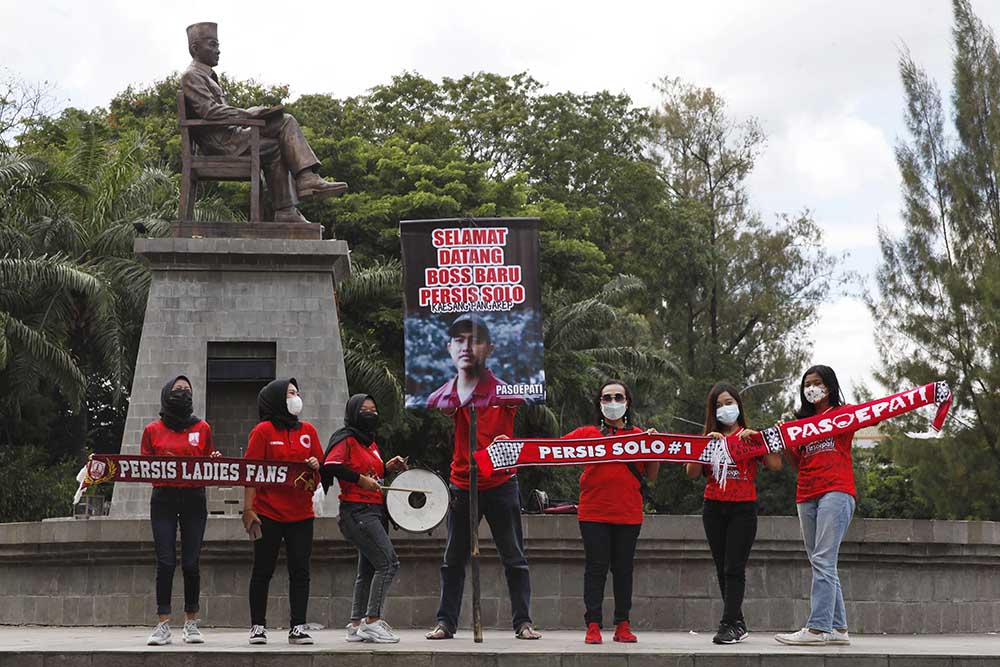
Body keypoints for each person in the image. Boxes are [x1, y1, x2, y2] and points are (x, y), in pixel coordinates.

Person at [181, 22, 347, 224]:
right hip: (223, 144)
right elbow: (209, 110)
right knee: (285, 121)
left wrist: (252, 113)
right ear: (195, 48)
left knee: (278, 143)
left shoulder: (207, 77)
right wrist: (247, 114)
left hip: (232, 137)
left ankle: (287, 209)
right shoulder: (192, 76)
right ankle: (305, 181)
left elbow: (215, 111)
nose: (218, 50)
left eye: (218, 45)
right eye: (212, 44)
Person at [425, 400, 541, 640]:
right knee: (453, 559)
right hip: (464, 483)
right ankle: (445, 622)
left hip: (502, 482)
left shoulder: (502, 390)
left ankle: (523, 622)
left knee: (514, 558)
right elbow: (445, 406)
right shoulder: (463, 391)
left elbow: (521, 393)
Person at [562, 379, 659, 644]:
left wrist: (654, 446)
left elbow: (651, 475)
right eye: (607, 397)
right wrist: (514, 445)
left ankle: (623, 625)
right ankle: (593, 625)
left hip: (628, 513)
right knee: (596, 569)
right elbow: (550, 450)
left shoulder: (640, 435)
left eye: (618, 397)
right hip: (593, 513)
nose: (613, 402)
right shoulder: (586, 433)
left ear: (628, 403)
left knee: (623, 570)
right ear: (599, 403)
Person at [685, 382, 782, 645]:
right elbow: (692, 473)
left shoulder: (749, 437)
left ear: (738, 405)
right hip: (713, 507)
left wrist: (759, 440)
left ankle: (728, 624)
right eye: (719, 405)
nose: (725, 408)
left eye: (729, 403)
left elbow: (775, 464)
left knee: (734, 567)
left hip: (743, 508)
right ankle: (737, 622)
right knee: (721, 567)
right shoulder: (709, 437)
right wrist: (704, 446)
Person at [774, 365, 856, 646]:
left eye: (817, 382)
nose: (811, 388)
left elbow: (874, 413)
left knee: (823, 559)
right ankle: (838, 629)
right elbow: (798, 463)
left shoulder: (844, 415)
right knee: (821, 561)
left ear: (829, 386)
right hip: (806, 493)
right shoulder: (801, 424)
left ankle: (817, 629)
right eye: (807, 384)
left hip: (836, 490)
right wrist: (785, 441)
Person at [242, 378, 323, 645]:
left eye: (297, 393)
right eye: (290, 393)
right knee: (262, 570)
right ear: (277, 398)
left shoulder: (308, 430)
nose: (295, 397)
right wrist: (248, 509)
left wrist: (315, 465)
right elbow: (250, 472)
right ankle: (257, 626)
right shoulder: (262, 431)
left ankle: (298, 626)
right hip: (269, 513)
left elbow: (320, 471)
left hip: (302, 514)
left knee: (300, 571)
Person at [321, 394, 408, 644]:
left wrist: (387, 467)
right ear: (353, 412)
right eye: (365, 409)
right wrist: (360, 480)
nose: (371, 414)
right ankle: (372, 622)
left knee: (368, 568)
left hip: (374, 510)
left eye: (374, 409)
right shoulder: (346, 438)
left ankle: (356, 624)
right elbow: (331, 465)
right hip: (357, 510)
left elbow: (373, 475)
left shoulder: (370, 443)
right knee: (388, 563)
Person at [143, 375, 220, 646]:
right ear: (167, 394)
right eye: (178, 389)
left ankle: (191, 622)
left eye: (187, 389)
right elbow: (143, 467)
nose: (183, 393)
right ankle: (163, 623)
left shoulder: (202, 427)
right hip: (163, 499)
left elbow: (208, 461)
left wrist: (214, 462)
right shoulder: (152, 430)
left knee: (190, 563)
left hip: (194, 499)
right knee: (165, 562)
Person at [425, 313, 514, 408]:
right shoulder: (436, 400)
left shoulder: (507, 399)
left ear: (489, 350)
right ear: (450, 348)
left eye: (475, 341)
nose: (466, 348)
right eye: (459, 340)